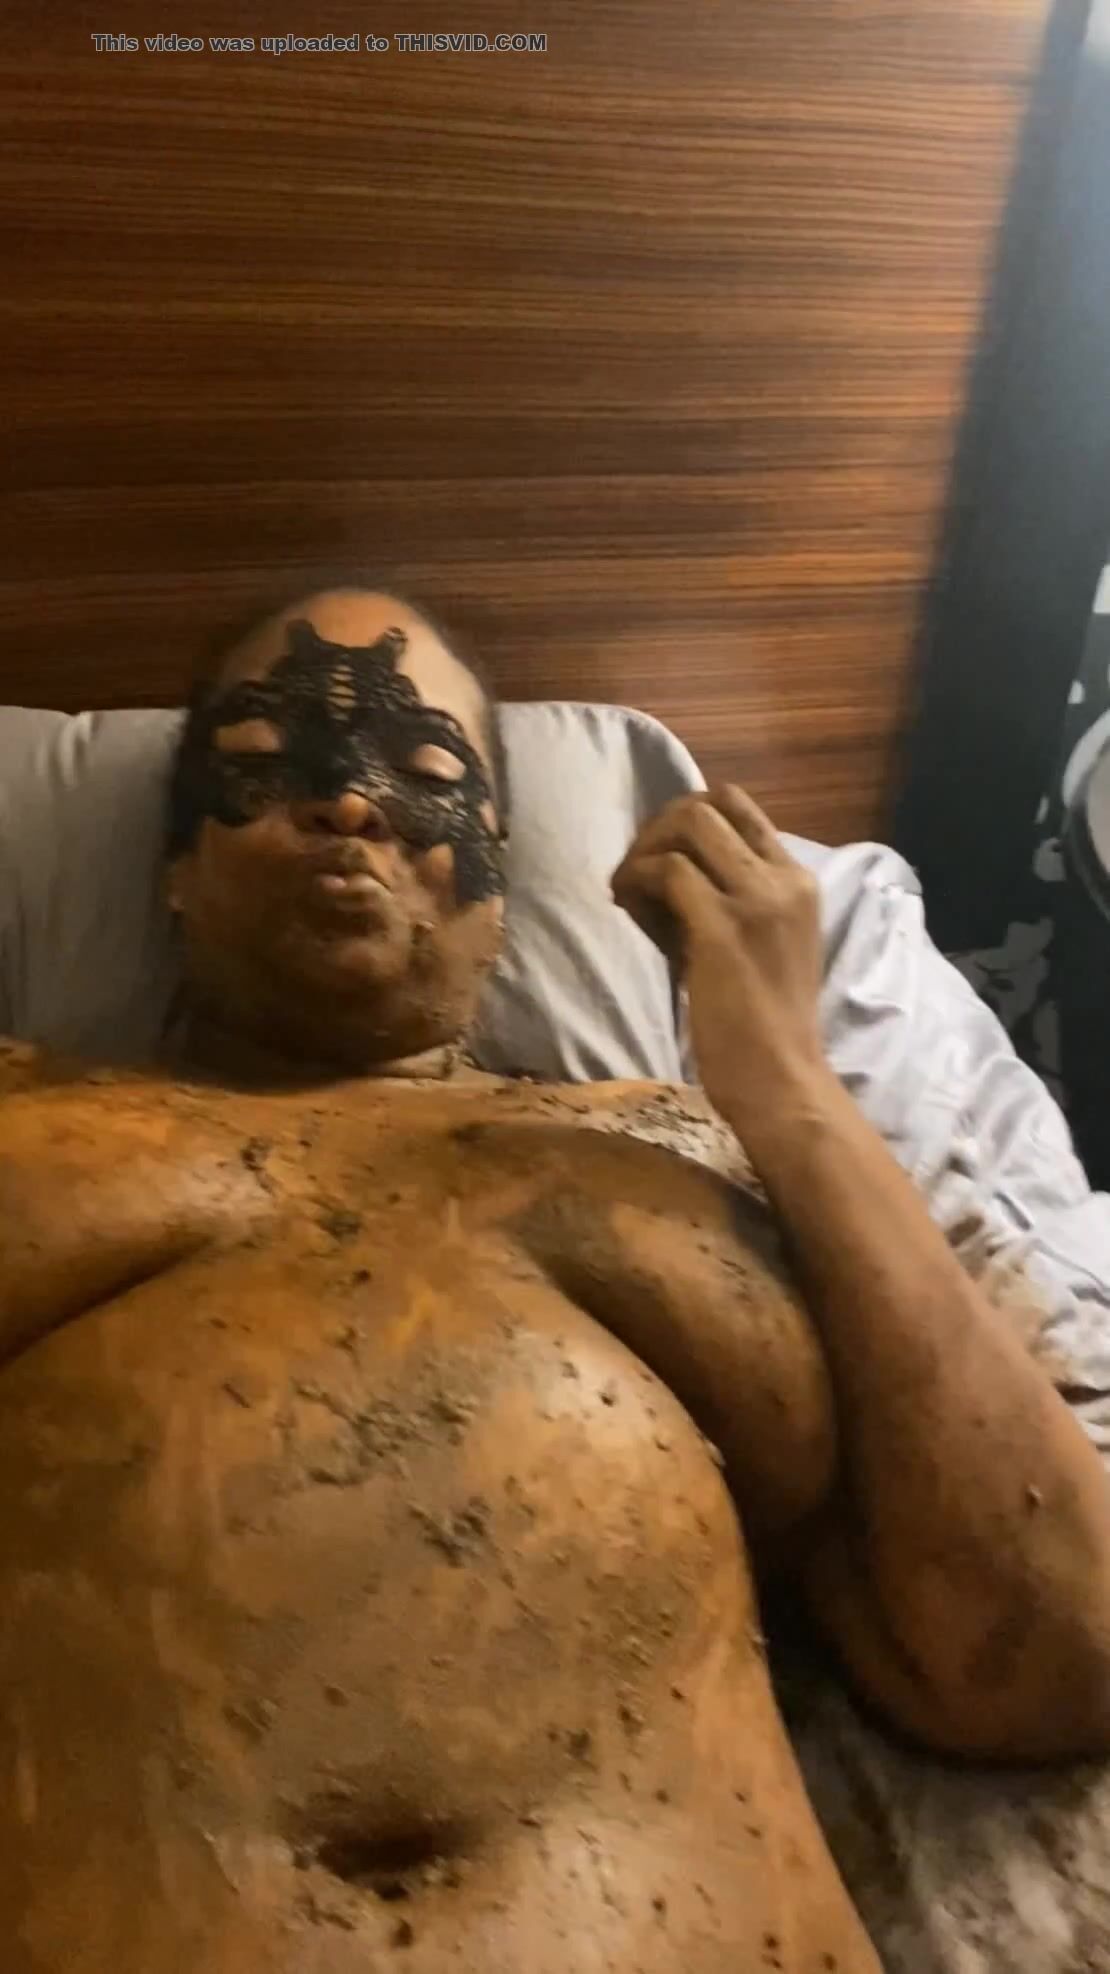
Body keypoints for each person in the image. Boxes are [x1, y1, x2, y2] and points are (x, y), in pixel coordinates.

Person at [2, 587, 1110, 1974]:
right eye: (267, 761)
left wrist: (787, 1083)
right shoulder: (26, 1124)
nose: (350, 803)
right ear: (174, 867)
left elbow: (1054, 1656)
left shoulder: (678, 1157)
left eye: (426, 771)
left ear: (503, 899)